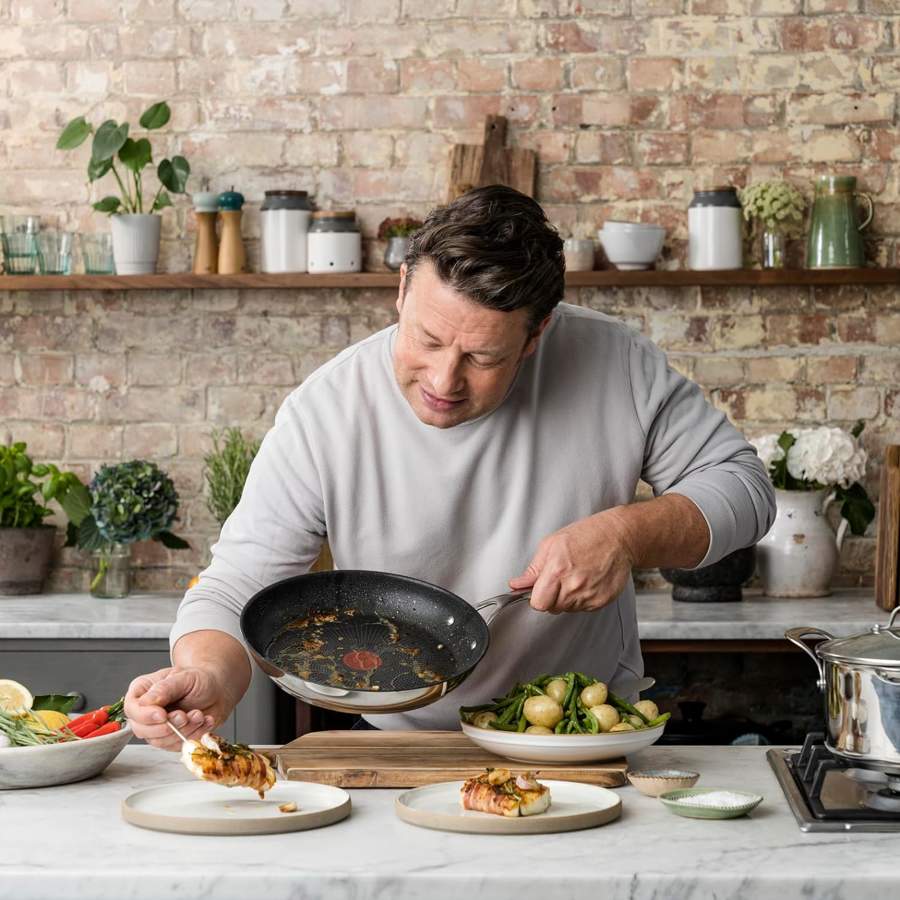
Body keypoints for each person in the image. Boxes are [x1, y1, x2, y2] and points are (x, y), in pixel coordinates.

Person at [125, 185, 775, 749]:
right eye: (428, 340)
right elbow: (237, 582)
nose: (443, 379)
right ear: (403, 287)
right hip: (399, 740)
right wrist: (206, 677)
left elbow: (745, 489)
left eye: (484, 358)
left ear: (537, 334)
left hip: (579, 735)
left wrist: (627, 535)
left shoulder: (616, 365)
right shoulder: (327, 410)